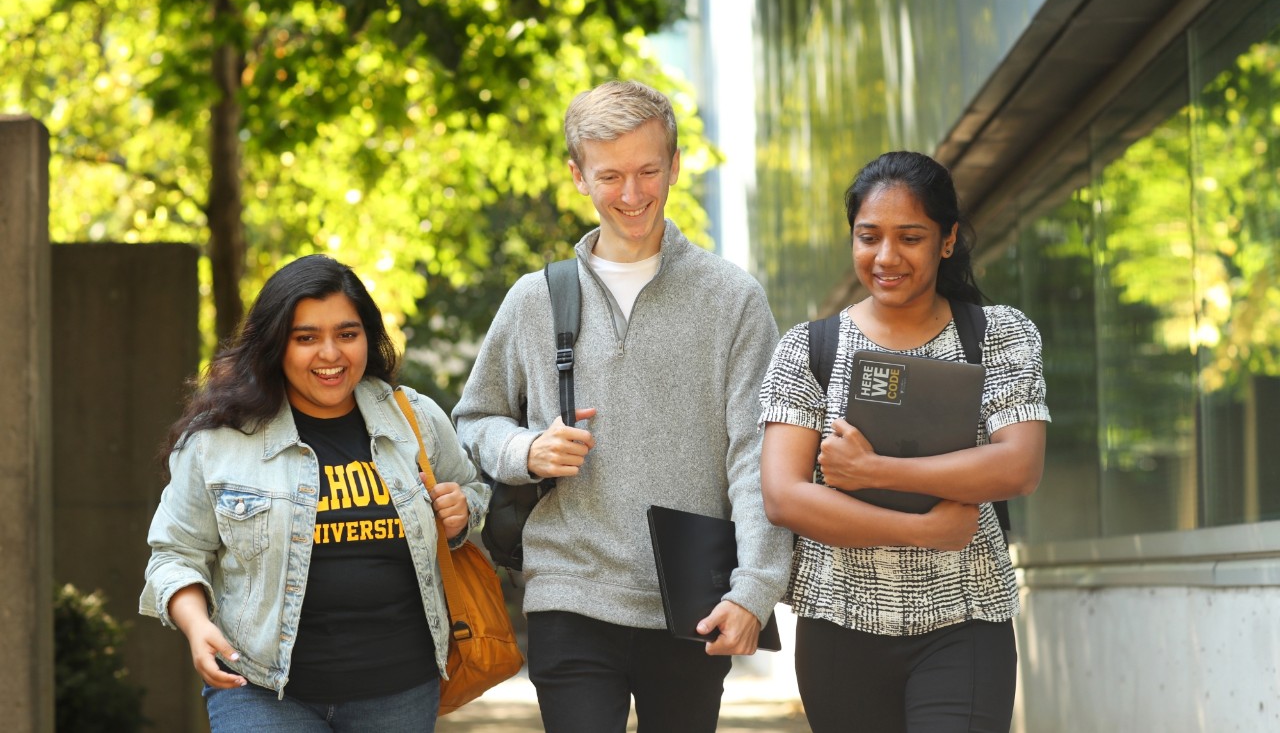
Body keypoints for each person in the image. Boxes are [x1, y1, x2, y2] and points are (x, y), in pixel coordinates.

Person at [453, 79, 792, 733]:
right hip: (569, 590)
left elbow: (757, 454)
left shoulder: (733, 299)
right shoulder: (535, 299)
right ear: (577, 175)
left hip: (693, 594)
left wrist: (755, 587)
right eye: (611, 176)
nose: (632, 194)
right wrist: (526, 449)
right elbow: (474, 418)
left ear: (674, 165)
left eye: (648, 171)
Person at [758, 151, 1050, 733]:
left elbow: (1018, 465)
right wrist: (921, 530)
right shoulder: (807, 349)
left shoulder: (1000, 335)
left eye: (910, 237)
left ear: (947, 241)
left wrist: (874, 469)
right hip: (838, 625)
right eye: (869, 237)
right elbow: (784, 498)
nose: (886, 257)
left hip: (967, 621)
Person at [139, 254, 488, 732]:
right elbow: (175, 554)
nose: (331, 354)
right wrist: (199, 628)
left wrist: (462, 509)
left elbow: (471, 490)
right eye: (307, 338)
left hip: (399, 690)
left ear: (369, 337)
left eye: (347, 334)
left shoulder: (416, 420)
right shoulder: (218, 442)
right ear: (276, 344)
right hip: (262, 692)